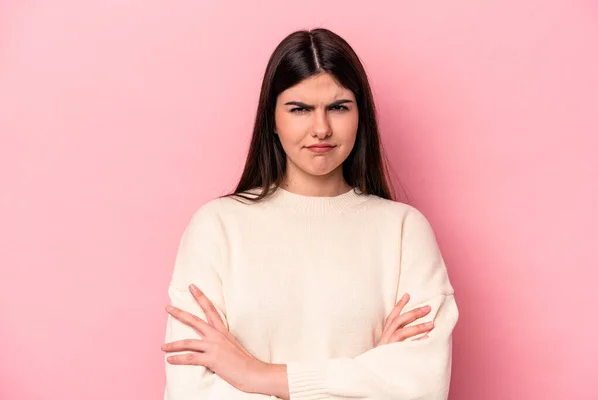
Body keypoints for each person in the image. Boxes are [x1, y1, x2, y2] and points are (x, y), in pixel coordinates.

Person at [160, 28, 459, 400]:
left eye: (338, 107)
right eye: (300, 109)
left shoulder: (403, 231)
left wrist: (258, 375)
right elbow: (193, 391)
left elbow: (422, 386)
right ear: (271, 119)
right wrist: (369, 374)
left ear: (360, 115)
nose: (321, 128)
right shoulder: (217, 228)